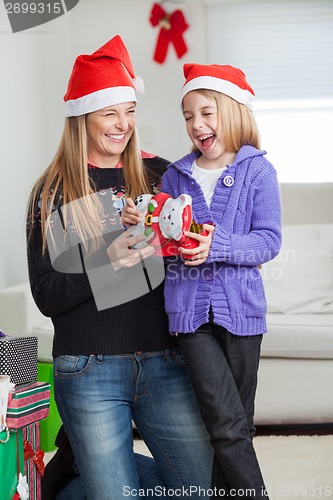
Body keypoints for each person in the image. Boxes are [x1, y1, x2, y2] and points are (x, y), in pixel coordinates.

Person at [26, 36, 213, 500]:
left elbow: (193, 259)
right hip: (89, 368)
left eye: (129, 111)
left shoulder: (161, 174)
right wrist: (105, 265)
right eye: (110, 113)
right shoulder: (52, 191)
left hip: (165, 361)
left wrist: (197, 244)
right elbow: (47, 294)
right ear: (83, 117)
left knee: (203, 489)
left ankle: (86, 469)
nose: (123, 125)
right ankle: (85, 474)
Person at [122, 63, 282, 499]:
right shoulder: (175, 175)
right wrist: (143, 223)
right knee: (225, 423)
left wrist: (219, 246)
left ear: (232, 111)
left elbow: (268, 242)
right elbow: (163, 243)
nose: (197, 124)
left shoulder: (258, 173)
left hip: (243, 315)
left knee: (236, 425)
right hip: (191, 317)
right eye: (188, 116)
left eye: (206, 112)